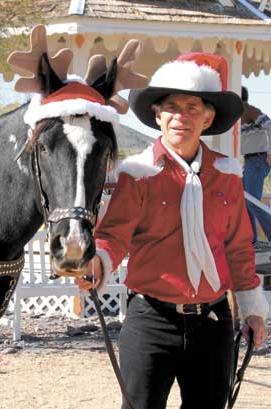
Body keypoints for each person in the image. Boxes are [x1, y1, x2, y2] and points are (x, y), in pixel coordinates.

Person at [76, 52, 269, 409]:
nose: (182, 117)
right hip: (151, 320)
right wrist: (98, 261)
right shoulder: (137, 173)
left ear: (208, 117)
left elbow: (239, 248)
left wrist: (253, 308)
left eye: (193, 108)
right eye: (173, 107)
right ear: (158, 115)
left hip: (214, 322)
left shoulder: (228, 174)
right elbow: (113, 235)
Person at [241, 86, 271, 246]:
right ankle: (251, 240)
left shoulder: (250, 110)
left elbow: (270, 126)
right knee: (244, 199)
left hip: (258, 159)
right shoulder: (239, 114)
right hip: (249, 160)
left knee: (253, 201)